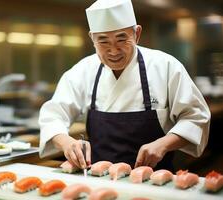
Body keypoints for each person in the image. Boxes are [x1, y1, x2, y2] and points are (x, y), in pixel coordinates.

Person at [38, 0, 210, 171]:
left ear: (137, 33)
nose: (113, 51)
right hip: (98, 177)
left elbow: (196, 117)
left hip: (155, 177)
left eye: (121, 39)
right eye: (103, 41)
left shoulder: (165, 66)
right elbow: (53, 116)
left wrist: (163, 144)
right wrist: (66, 141)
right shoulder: (83, 70)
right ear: (92, 38)